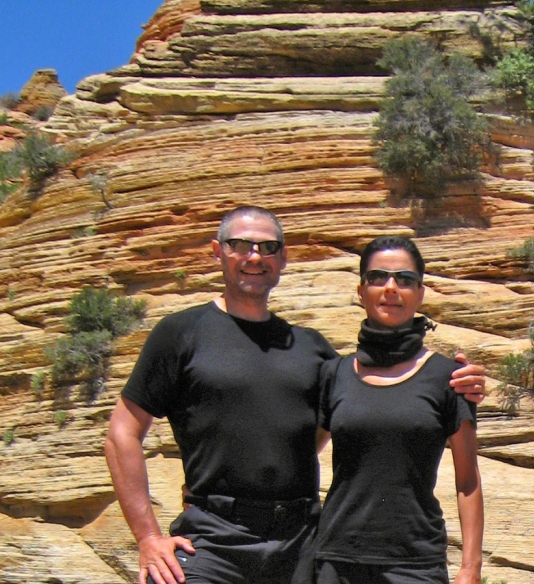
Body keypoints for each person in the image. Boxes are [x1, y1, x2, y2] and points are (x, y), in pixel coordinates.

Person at [105, 207, 486, 584]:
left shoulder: (312, 350)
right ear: (217, 251)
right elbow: (122, 433)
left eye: (268, 247)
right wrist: (149, 537)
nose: (255, 257)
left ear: (283, 259)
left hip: (302, 544)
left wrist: (459, 383)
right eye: (241, 245)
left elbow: (371, 398)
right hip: (211, 539)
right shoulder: (181, 333)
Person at [311, 236, 482, 584]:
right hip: (337, 560)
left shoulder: (449, 378)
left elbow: (468, 481)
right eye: (378, 278)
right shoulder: (335, 374)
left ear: (420, 293)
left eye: (405, 279)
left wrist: (470, 568)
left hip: (414, 562)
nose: (391, 288)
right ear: (361, 291)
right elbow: (301, 457)